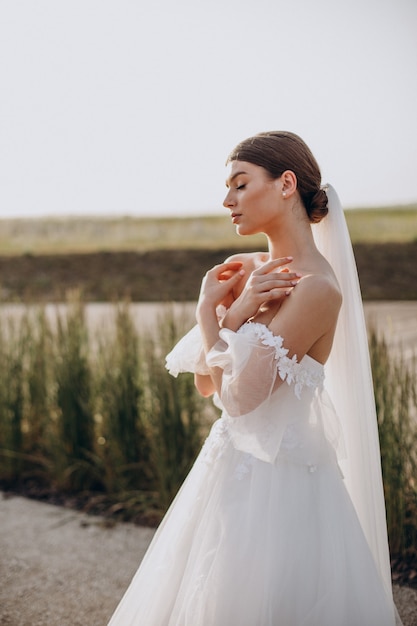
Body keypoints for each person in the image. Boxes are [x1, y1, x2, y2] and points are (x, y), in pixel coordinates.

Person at [108, 131, 402, 625]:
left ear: (286, 184)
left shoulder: (317, 290)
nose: (227, 200)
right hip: (227, 472)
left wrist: (212, 313)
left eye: (240, 185)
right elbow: (208, 383)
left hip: (281, 488)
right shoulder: (245, 270)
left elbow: (240, 400)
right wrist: (237, 308)